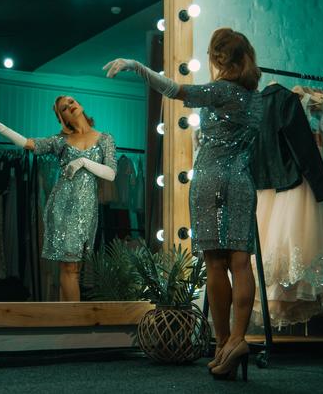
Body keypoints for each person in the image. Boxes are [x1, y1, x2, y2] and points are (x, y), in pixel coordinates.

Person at [104, 27, 262, 381]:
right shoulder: (257, 99)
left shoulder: (221, 91)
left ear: (217, 58)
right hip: (242, 183)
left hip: (210, 182)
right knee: (241, 262)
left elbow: (175, 89)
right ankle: (237, 341)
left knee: (216, 263)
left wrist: (136, 66)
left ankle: (224, 343)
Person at [0, 95, 117, 302]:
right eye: (65, 108)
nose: (70, 106)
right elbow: (28, 143)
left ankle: (63, 317)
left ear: (80, 104)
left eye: (71, 102)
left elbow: (111, 173)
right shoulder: (61, 141)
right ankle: (73, 322)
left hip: (86, 209)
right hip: (62, 207)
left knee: (73, 268)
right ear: (62, 118)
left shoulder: (105, 139)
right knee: (70, 267)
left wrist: (84, 161)